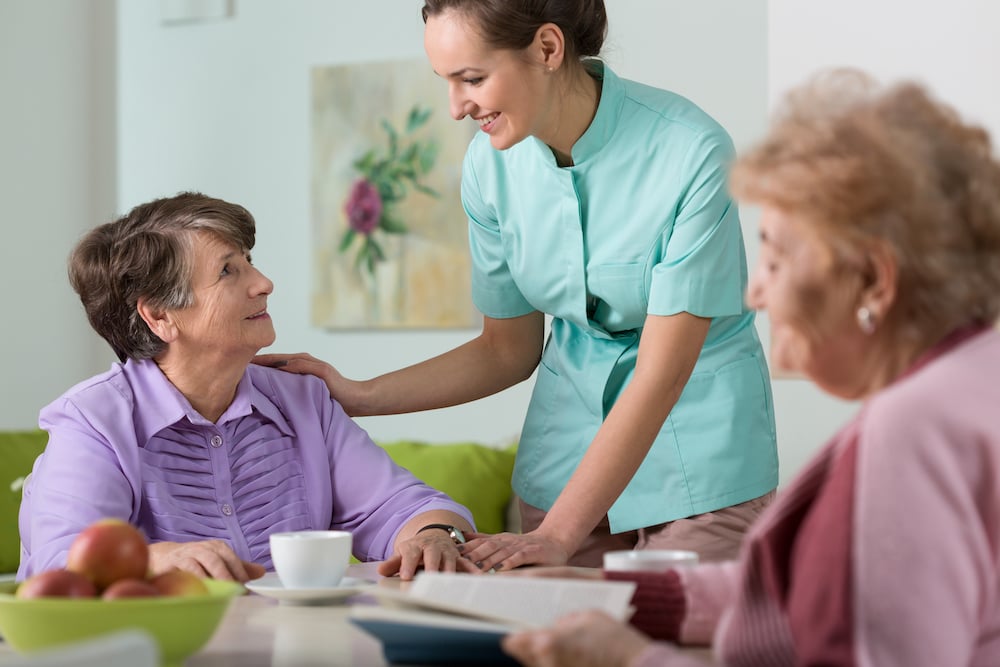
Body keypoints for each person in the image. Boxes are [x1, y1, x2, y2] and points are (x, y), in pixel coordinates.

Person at [255, 0, 778, 570]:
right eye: (446, 82)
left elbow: (661, 372)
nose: (456, 107)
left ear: (548, 49)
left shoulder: (692, 152)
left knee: (681, 644)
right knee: (552, 648)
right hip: (563, 454)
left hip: (699, 458)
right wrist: (360, 395)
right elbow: (507, 349)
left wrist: (558, 535)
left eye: (472, 79)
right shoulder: (488, 167)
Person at [501, 69, 1000, 666]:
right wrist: (629, 599)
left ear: (872, 278)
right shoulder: (975, 380)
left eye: (775, 255)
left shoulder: (913, 432)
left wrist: (631, 659)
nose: (755, 292)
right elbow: (820, 591)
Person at [18, 192, 477, 583]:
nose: (263, 284)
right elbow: (61, 566)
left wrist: (435, 535)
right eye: (227, 271)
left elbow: (398, 506)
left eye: (249, 262)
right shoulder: (93, 420)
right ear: (159, 316)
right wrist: (154, 559)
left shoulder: (302, 399)